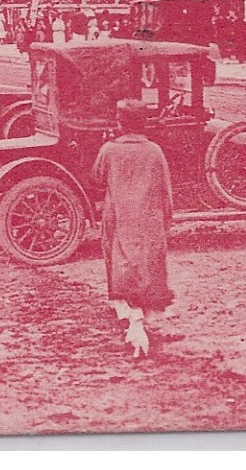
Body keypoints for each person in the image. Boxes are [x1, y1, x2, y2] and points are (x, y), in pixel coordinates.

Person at [92, 101, 175, 358]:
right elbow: (166, 189)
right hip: (149, 219)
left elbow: (96, 178)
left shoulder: (109, 150)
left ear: (120, 123)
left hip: (118, 217)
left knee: (120, 261)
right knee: (148, 262)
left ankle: (129, 313)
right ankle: (145, 316)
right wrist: (166, 219)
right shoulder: (154, 151)